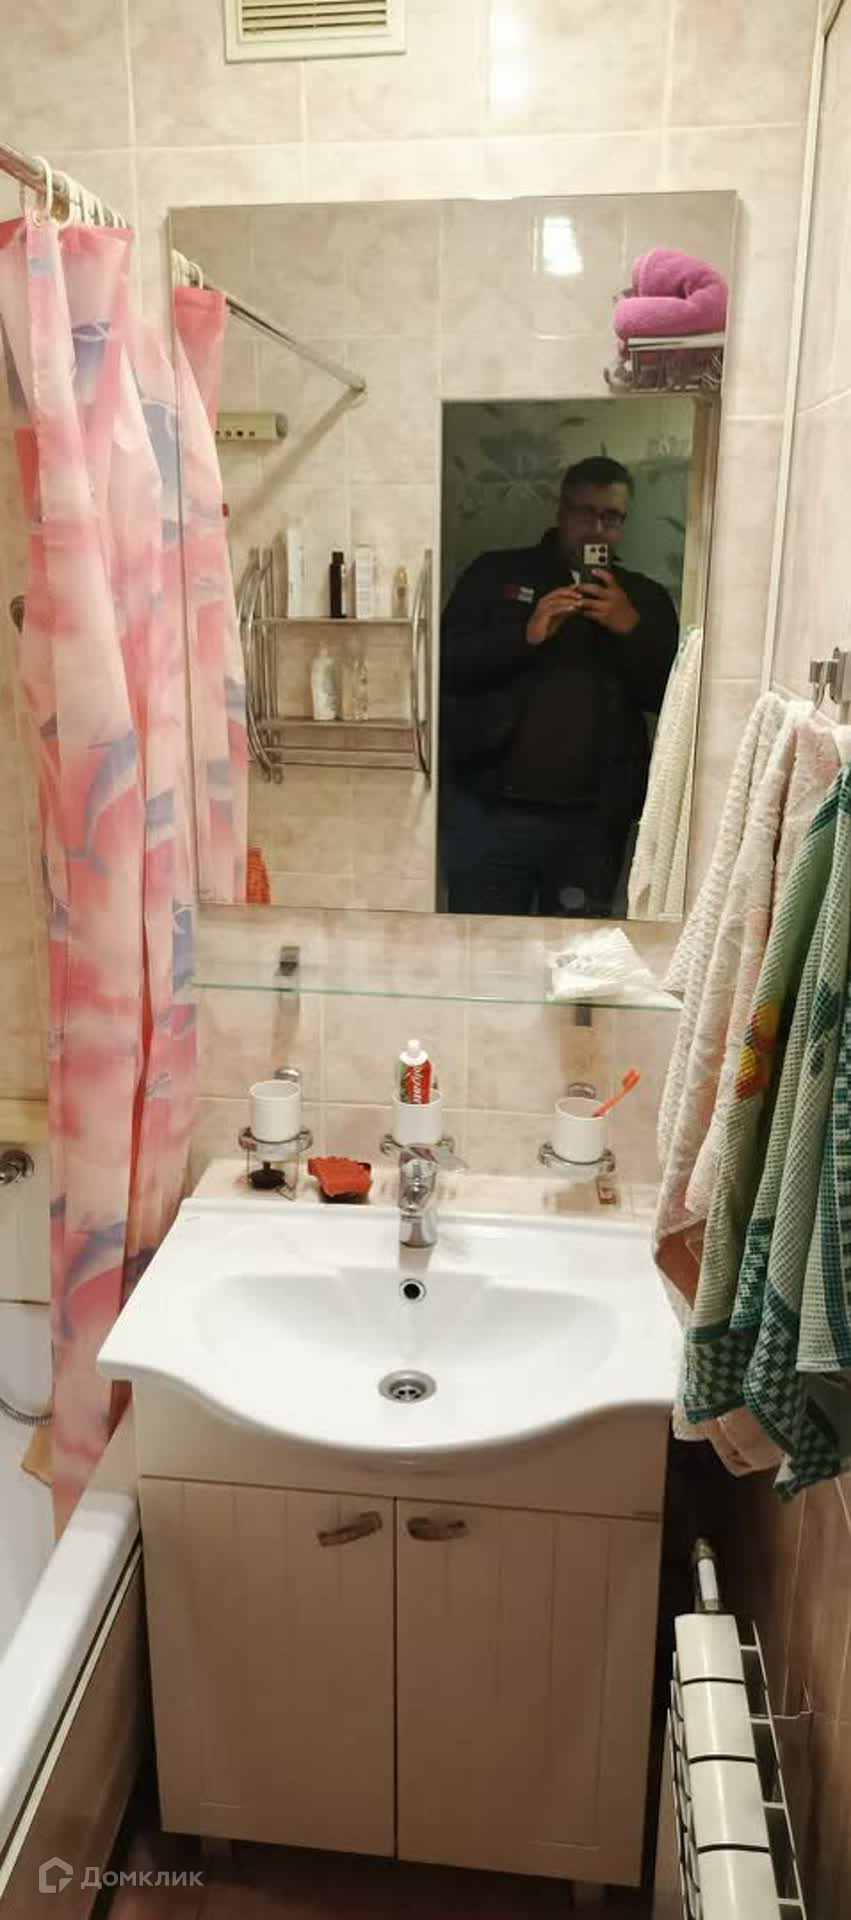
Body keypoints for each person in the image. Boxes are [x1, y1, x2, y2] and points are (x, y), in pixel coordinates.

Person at [439, 455, 679, 917]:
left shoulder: (644, 599)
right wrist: (524, 636)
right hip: (489, 810)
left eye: (612, 517)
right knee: (481, 946)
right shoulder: (495, 574)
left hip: (592, 825)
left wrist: (630, 629)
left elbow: (670, 702)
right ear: (561, 510)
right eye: (585, 513)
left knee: (578, 953)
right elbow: (445, 666)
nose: (597, 529)